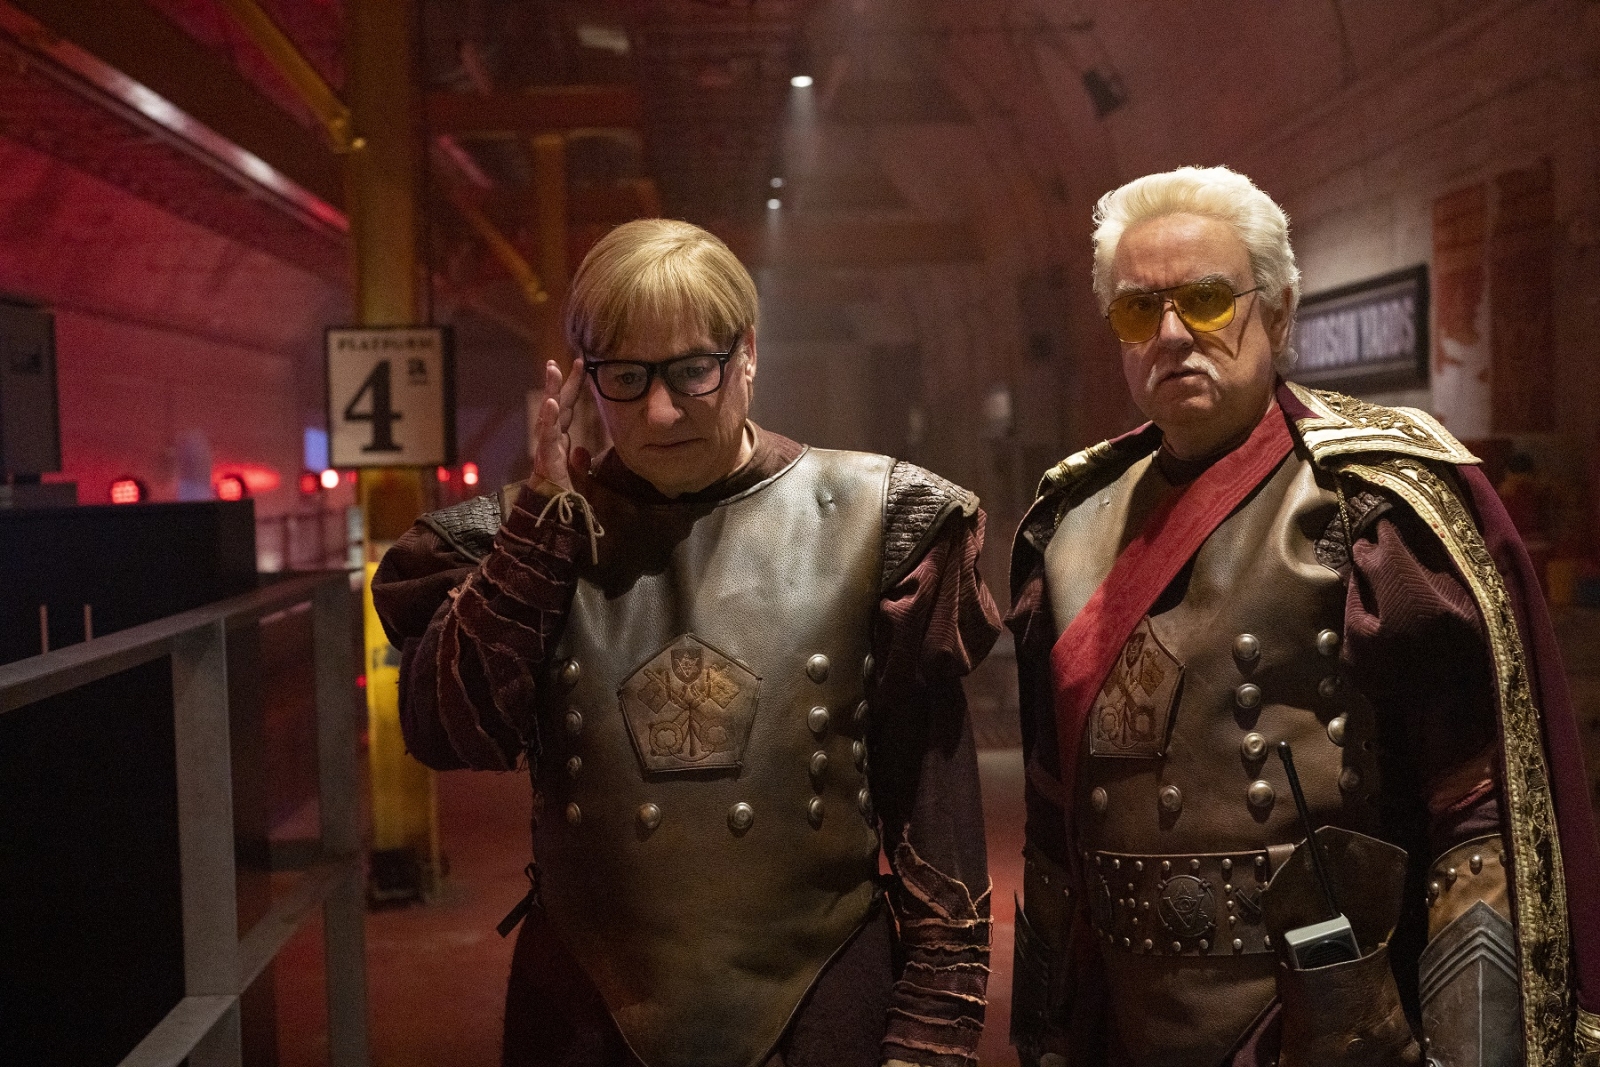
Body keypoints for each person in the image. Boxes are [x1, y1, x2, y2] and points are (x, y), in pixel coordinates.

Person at [1006, 166, 1600, 1066]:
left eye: (1207, 299)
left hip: (1322, 1024)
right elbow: (1053, 827)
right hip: (1125, 1020)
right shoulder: (1071, 520)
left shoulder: (1372, 505)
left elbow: (1472, 822)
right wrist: (1047, 1033)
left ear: (1279, 313)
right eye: (1138, 309)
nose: (1172, 334)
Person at [372, 218, 999, 1067]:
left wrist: (930, 1043)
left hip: (820, 1011)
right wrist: (535, 537)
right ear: (583, 378)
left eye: (692, 370)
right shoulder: (528, 537)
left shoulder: (879, 524)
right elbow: (450, 732)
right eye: (625, 377)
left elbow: (937, 830)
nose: (660, 411)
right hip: (584, 1015)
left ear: (748, 352)